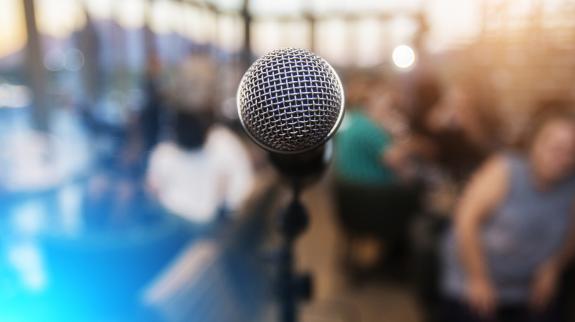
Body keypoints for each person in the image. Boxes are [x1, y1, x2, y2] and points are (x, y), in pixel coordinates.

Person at [441, 104, 575, 322]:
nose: (562, 158)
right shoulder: (505, 169)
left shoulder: (571, 185)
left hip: (529, 289)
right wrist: (478, 278)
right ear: (534, 144)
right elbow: (465, 221)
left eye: (571, 152)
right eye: (555, 148)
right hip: (474, 281)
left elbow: (571, 235)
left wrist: (553, 267)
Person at [146, 110, 254, 225]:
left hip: (216, 221)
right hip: (174, 219)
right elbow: (153, 189)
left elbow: (236, 186)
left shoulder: (221, 142)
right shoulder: (164, 153)